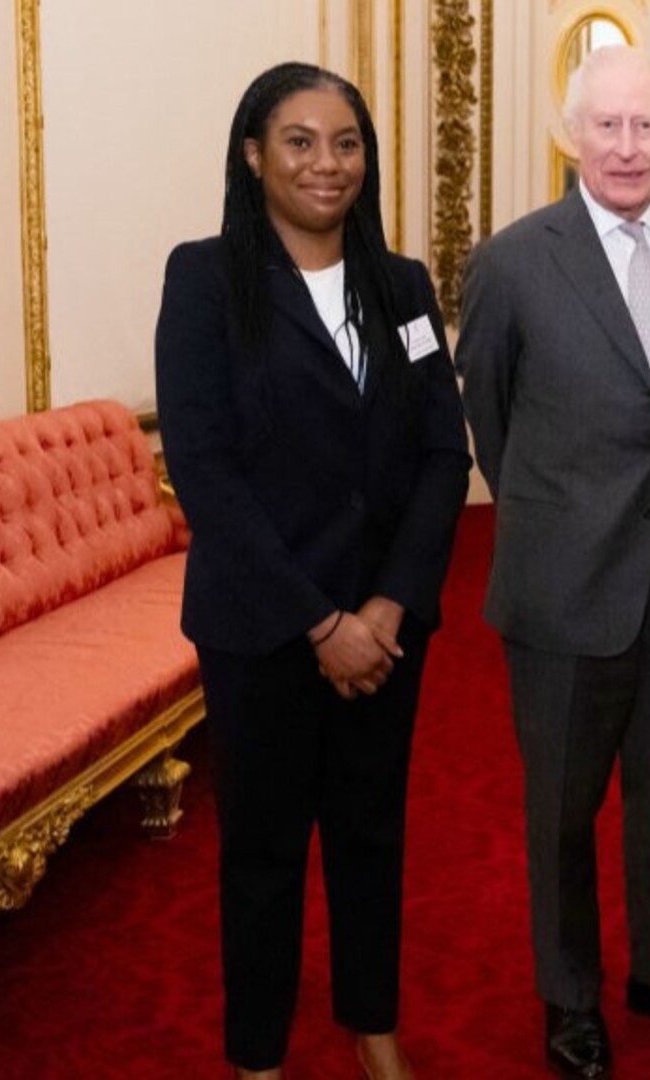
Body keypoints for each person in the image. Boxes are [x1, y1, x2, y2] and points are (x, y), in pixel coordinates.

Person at [154, 62, 470, 1080]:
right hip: (264, 625)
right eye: (299, 141)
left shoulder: (403, 286)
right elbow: (205, 470)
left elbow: (442, 452)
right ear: (254, 155)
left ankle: (373, 1026)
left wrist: (384, 607)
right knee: (263, 851)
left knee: (373, 834)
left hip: (385, 625)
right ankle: (258, 1057)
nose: (326, 165)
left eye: (345, 143)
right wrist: (320, 624)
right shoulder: (205, 279)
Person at [455, 45, 650, 1080]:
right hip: (563, 584)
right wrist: (561, 517)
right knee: (562, 809)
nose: (628, 147)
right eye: (608, 126)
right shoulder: (511, 261)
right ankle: (570, 998)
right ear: (571, 134)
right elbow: (489, 420)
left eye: (647, 128)